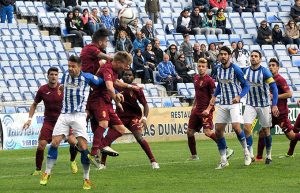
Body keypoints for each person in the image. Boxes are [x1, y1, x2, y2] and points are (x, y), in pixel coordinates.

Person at [39, 55, 105, 190]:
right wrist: (62, 88)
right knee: (55, 142)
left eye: (73, 66)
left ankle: (86, 179)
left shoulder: (88, 77)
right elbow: (63, 86)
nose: (70, 68)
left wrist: (115, 93)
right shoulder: (65, 77)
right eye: (69, 65)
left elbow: (103, 83)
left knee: (83, 147)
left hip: (79, 116)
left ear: (80, 67)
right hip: (64, 115)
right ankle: (47, 172)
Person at [86, 52, 141, 168]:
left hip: (107, 101)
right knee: (103, 123)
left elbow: (115, 82)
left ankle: (102, 146)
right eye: (126, 64)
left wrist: (129, 86)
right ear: (118, 62)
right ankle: (93, 153)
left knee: (121, 129)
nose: (126, 67)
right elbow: (110, 87)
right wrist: (116, 98)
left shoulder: (115, 70)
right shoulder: (107, 68)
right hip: (98, 99)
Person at [99, 69, 159, 169]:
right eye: (126, 75)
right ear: (122, 76)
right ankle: (102, 164)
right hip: (119, 118)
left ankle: (153, 161)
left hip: (133, 117)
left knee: (139, 138)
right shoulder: (117, 86)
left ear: (133, 77)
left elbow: (145, 104)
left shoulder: (137, 89)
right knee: (108, 140)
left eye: (130, 75)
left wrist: (144, 118)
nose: (127, 77)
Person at [23, 67, 78, 176]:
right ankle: (38, 169)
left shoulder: (63, 88)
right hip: (49, 122)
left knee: (73, 143)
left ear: (58, 76)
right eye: (51, 74)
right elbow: (34, 104)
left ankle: (72, 161)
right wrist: (29, 119)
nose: (53, 76)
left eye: (55, 74)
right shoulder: (43, 90)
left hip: (63, 121)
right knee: (41, 145)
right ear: (48, 76)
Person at [209, 46, 251, 169]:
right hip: (223, 103)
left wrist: (239, 96)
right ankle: (223, 160)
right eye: (221, 54)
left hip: (234, 103)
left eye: (225, 54)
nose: (222, 56)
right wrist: (214, 96)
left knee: (236, 127)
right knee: (218, 131)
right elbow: (220, 85)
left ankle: (246, 152)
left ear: (229, 56)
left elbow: (246, 85)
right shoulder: (217, 69)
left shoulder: (236, 69)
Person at [187, 58, 234, 160]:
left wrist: (208, 109)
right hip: (197, 109)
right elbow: (197, 94)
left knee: (208, 132)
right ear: (197, 67)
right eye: (199, 66)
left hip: (205, 110)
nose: (201, 68)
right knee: (189, 132)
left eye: (203, 66)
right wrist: (193, 106)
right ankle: (194, 155)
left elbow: (213, 97)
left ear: (206, 68)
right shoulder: (195, 78)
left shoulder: (209, 80)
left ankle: (227, 149)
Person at [256, 59, 300, 160]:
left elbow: (289, 94)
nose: (271, 67)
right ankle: (259, 157)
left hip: (281, 114)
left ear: (278, 67)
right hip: (270, 113)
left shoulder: (280, 79)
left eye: (273, 65)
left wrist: (275, 96)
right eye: (269, 65)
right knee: (262, 131)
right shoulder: (268, 79)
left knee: (292, 136)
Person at [243, 51, 279, 165]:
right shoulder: (246, 71)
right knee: (246, 128)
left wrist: (274, 105)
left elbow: (274, 88)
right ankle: (251, 155)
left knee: (266, 131)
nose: (253, 58)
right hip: (250, 104)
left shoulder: (265, 72)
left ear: (260, 59)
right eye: (252, 56)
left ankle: (268, 155)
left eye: (255, 56)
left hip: (264, 105)